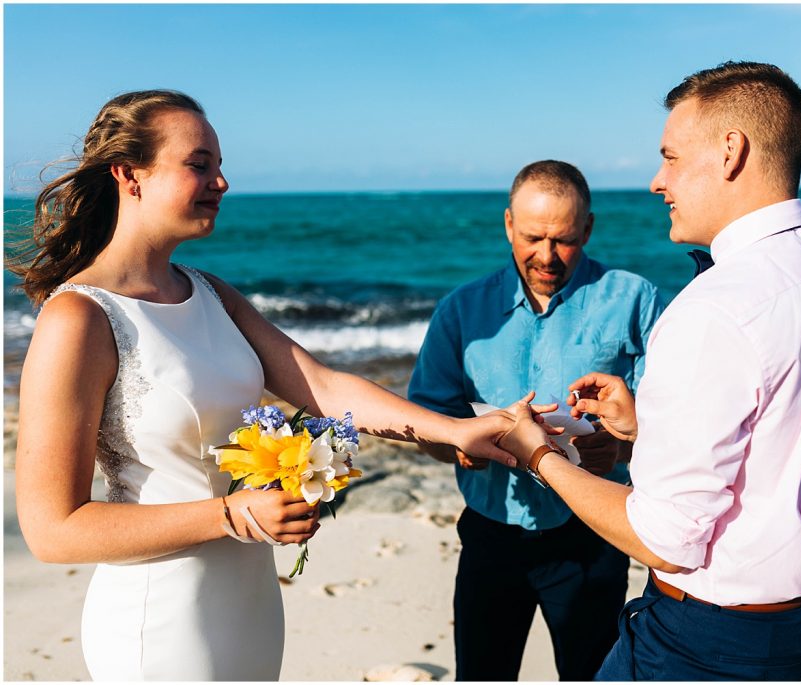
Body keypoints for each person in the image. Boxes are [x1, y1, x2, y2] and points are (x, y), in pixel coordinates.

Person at [9, 90, 517, 681]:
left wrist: (456, 430)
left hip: (248, 603)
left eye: (220, 166)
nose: (221, 182)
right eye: (199, 164)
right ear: (130, 175)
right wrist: (230, 514)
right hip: (159, 619)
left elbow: (323, 388)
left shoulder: (211, 292)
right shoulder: (79, 318)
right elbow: (52, 530)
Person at [495, 62, 801, 680]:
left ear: (730, 152)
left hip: (706, 637)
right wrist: (648, 426)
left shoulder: (717, 307)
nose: (656, 181)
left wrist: (539, 456)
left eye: (670, 156)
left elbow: (663, 539)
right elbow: (781, 442)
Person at [408, 160, 664, 681]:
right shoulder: (460, 311)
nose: (546, 257)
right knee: (482, 674)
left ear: (588, 228)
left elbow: (680, 423)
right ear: (508, 224)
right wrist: (461, 445)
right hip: (492, 533)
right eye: (532, 238)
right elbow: (427, 422)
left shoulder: (636, 301)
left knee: (592, 675)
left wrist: (620, 448)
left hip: (595, 532)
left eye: (564, 240)